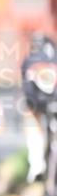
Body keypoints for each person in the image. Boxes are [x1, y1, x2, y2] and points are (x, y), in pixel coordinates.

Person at [21, 31, 57, 183]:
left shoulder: (29, 61)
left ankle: (36, 165)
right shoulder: (53, 59)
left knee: (30, 117)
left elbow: (28, 94)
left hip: (38, 104)